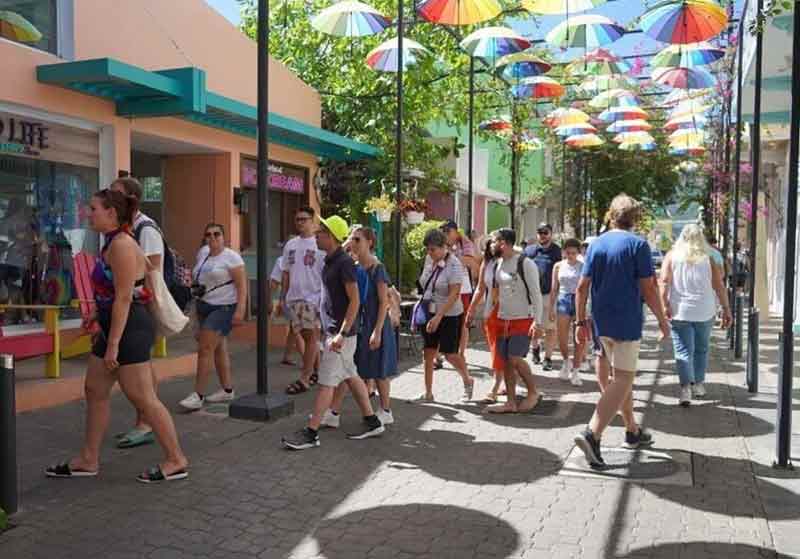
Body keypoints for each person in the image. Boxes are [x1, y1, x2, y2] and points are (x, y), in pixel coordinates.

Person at [46, 188, 188, 483]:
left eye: (93, 208)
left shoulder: (122, 244)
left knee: (144, 398)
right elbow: (116, 292)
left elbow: (125, 298)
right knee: (95, 390)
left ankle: (176, 460)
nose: (88, 213)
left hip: (128, 331)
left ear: (111, 213)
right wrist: (98, 315)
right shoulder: (111, 242)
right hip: (114, 327)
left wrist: (112, 345)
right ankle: (88, 459)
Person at [574, 194, 670, 469]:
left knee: (617, 378)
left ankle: (632, 430)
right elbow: (648, 288)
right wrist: (662, 321)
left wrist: (581, 322)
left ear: (610, 215)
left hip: (600, 321)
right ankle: (592, 434)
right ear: (635, 218)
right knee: (624, 379)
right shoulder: (638, 245)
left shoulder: (597, 244)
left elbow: (581, 288)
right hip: (626, 323)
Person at [281, 216, 384, 450]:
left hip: (342, 334)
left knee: (326, 383)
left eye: (321, 232)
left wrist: (341, 332)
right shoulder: (330, 261)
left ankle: (311, 433)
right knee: (351, 375)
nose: (316, 235)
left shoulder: (344, 264)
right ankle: (372, 421)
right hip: (337, 331)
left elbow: (354, 301)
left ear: (332, 237)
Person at [320, 227, 398, 427]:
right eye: (351, 239)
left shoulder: (377, 268)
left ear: (369, 242)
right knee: (349, 369)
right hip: (360, 323)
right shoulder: (354, 266)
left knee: (378, 369)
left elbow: (384, 302)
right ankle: (334, 412)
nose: (353, 243)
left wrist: (377, 330)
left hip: (374, 323)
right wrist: (346, 242)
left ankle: (386, 410)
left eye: (358, 239)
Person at [109, 178, 164, 449]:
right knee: (143, 368)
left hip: (141, 306)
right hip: (133, 305)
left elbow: (152, 267)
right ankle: (144, 421)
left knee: (142, 370)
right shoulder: (125, 229)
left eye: (115, 193)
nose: (110, 196)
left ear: (130, 198)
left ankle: (147, 423)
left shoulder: (145, 228)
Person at [661, 224, 732, 406]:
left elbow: (664, 283)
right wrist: (726, 309)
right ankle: (699, 383)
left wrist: (664, 305)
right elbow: (719, 286)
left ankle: (686, 388)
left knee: (683, 351)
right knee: (701, 348)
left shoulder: (671, 257)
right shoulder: (708, 259)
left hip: (680, 311)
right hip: (705, 310)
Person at [178, 224, 247, 410]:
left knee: (205, 348)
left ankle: (198, 395)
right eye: (208, 234)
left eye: (217, 234)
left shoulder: (232, 257)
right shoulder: (203, 253)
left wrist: (240, 310)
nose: (213, 237)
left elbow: (242, 285)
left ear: (224, 237)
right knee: (219, 348)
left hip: (223, 306)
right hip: (204, 305)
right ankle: (227, 389)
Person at [486, 228, 544, 414]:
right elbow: (493, 292)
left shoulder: (525, 263)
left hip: (523, 319)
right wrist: (487, 314)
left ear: (504, 243)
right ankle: (510, 402)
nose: (491, 245)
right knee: (506, 362)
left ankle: (533, 392)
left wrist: (538, 321)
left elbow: (536, 294)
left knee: (515, 359)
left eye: (494, 241)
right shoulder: (498, 264)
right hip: (503, 319)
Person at [414, 228, 475, 403]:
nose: (429, 253)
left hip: (449, 314)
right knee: (428, 353)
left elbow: (454, 294)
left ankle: (467, 379)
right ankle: (428, 393)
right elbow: (424, 282)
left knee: (450, 354)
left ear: (443, 247)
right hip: (430, 311)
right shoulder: (429, 259)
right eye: (428, 249)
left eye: (433, 249)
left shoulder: (454, 264)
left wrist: (439, 316)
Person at [280, 207, 326, 395]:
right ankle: (317, 372)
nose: (300, 222)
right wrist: (283, 296)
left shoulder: (319, 244)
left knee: (310, 338)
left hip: (312, 297)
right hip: (294, 298)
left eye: (303, 219)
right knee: (308, 339)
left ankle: (305, 378)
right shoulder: (290, 244)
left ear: (313, 220)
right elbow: (285, 271)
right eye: (297, 219)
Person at [465, 238, 505, 403]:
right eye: (491, 243)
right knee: (496, 350)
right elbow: (480, 288)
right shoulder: (487, 264)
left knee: (503, 351)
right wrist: (471, 309)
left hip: (508, 312)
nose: (494, 246)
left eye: (498, 242)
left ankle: (496, 387)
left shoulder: (510, 262)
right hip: (490, 312)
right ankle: (503, 383)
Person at [524, 223, 562, 371]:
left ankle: (548, 357)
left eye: (545, 232)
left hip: (550, 295)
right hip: (532, 296)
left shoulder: (557, 251)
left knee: (551, 328)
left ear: (551, 234)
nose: (542, 235)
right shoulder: (529, 250)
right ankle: (535, 349)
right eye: (540, 232)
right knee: (535, 326)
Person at [550, 238, 585, 386]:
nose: (570, 256)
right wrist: (551, 308)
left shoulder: (583, 266)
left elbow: (587, 287)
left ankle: (576, 371)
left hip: (578, 300)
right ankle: (566, 361)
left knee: (579, 338)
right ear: (564, 252)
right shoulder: (558, 266)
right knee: (561, 337)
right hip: (563, 300)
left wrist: (586, 307)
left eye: (573, 253)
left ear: (578, 252)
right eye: (568, 252)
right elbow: (554, 289)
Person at [440, 220, 477, 359]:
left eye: (448, 231)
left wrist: (451, 257)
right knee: (444, 320)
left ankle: (461, 353)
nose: (445, 234)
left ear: (456, 231)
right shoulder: (441, 244)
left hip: (463, 289)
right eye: (443, 231)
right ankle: (442, 353)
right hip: (445, 288)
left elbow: (469, 261)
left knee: (463, 322)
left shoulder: (464, 242)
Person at [270, 254, 304, 367]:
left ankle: (287, 356)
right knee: (297, 329)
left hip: (289, 299)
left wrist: (271, 299)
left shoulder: (281, 260)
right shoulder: (305, 258)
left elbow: (274, 283)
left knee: (294, 329)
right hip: (301, 299)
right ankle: (309, 361)